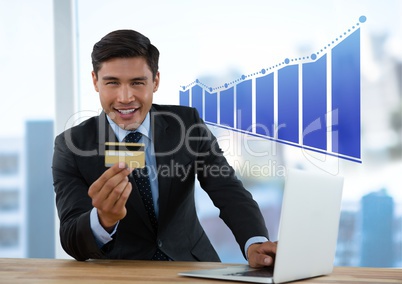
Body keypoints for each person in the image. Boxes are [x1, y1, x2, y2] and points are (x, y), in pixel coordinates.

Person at [52, 29, 277, 267]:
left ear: (155, 81)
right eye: (112, 83)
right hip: (119, 274)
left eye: (137, 82)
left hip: (192, 266)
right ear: (96, 81)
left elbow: (227, 189)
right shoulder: (71, 146)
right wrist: (102, 220)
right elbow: (71, 237)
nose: (125, 97)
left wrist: (255, 242)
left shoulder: (187, 124)